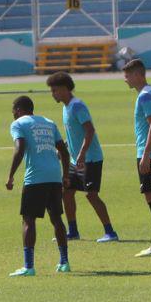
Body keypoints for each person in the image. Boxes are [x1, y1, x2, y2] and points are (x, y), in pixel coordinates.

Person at [46, 72, 118, 243]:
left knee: (91, 195)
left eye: (55, 90)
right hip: (75, 160)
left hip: (90, 159)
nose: (52, 94)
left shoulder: (77, 106)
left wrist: (82, 153)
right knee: (66, 192)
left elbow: (89, 130)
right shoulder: (66, 107)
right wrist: (65, 149)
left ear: (65, 89)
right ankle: (73, 231)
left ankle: (110, 232)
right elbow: (74, 133)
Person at [5, 96, 72, 277]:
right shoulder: (48, 122)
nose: (13, 115)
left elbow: (20, 148)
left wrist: (11, 175)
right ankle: (64, 262)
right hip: (54, 176)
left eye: (13, 111)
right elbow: (64, 151)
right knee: (56, 218)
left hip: (35, 177)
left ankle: (28, 266)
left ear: (19, 110)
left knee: (28, 219)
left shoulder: (19, 124)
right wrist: (65, 175)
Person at [123, 59, 151, 258]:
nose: (125, 79)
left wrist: (146, 155)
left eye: (128, 75)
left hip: (148, 151)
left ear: (138, 75)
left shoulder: (145, 96)